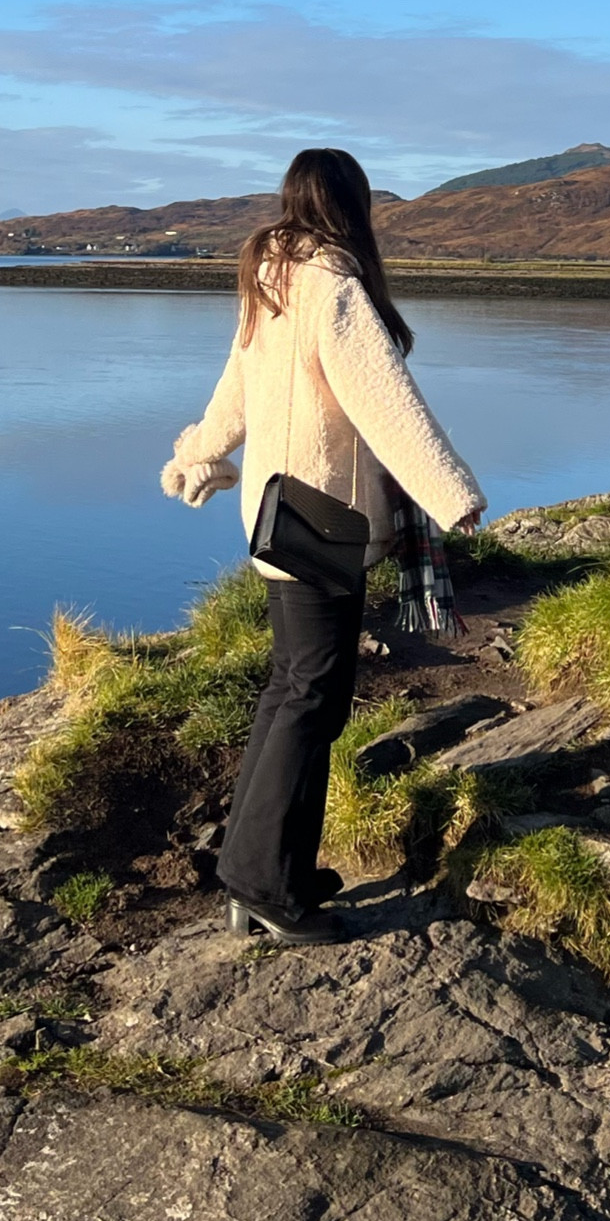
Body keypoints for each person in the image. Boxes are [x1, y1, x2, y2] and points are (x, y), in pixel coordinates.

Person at [161, 148, 485, 944]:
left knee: (295, 692)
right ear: (350, 205)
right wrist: (454, 495)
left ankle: (264, 868)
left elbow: (231, 393)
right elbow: (388, 405)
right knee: (312, 699)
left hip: (280, 520)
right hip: (324, 521)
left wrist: (200, 453)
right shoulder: (331, 287)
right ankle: (266, 886)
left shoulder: (270, 280)